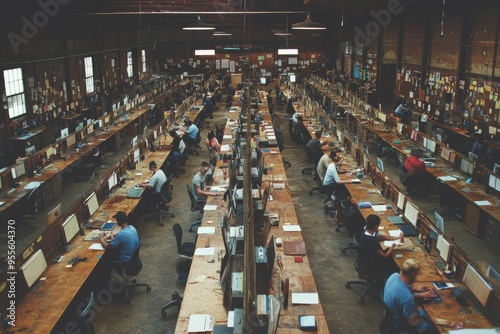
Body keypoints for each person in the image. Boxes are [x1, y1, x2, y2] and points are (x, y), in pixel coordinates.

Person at [383, 259, 439, 334]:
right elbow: (413, 321)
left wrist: (418, 292)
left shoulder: (394, 275)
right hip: (400, 323)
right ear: (413, 274)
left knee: (425, 315)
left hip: (391, 316)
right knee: (434, 328)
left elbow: (401, 293)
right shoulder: (407, 297)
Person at [359, 214, 402, 279]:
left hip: (366, 258)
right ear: (376, 226)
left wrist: (395, 238)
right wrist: (392, 247)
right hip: (373, 263)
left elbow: (380, 237)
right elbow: (384, 256)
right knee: (395, 262)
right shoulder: (372, 240)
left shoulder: (365, 230)